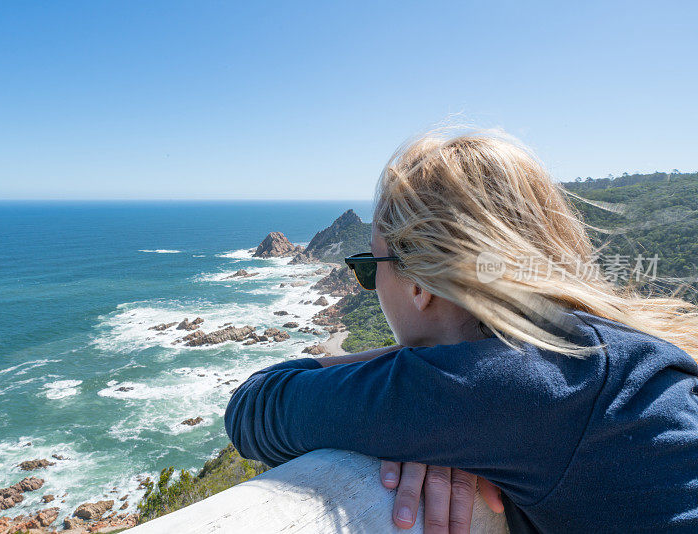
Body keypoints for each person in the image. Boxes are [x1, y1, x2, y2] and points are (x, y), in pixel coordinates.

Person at [224, 126, 698, 533]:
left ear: (419, 286)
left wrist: (418, 387)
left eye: (369, 266)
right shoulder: (602, 349)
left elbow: (255, 405)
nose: (368, 280)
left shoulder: (495, 386)